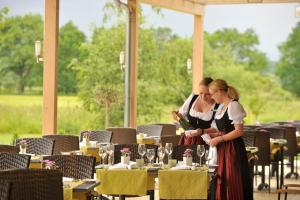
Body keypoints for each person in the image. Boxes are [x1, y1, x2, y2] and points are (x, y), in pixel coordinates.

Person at [205, 79, 253, 200]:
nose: (211, 97)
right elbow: (219, 129)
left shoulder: (233, 105)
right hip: (223, 148)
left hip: (232, 149)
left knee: (232, 180)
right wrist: (204, 133)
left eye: (212, 93)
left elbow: (239, 130)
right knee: (222, 179)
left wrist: (219, 138)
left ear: (220, 91)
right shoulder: (221, 107)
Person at [172, 77, 219, 145]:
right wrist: (176, 116)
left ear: (213, 92)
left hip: (208, 142)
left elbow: (217, 128)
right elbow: (181, 115)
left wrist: (201, 131)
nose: (203, 97)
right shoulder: (193, 98)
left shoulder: (218, 105)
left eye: (207, 94)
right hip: (189, 140)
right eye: (201, 93)